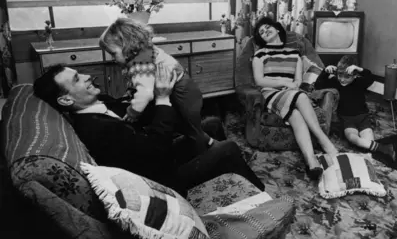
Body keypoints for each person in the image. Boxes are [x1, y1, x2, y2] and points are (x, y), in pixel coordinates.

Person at [32, 64, 265, 196]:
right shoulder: (94, 129)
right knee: (228, 149)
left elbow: (139, 115)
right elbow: (156, 151)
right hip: (161, 180)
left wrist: (147, 91)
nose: (87, 76)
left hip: (156, 154)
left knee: (212, 124)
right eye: (76, 79)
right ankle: (262, 196)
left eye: (79, 73)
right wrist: (163, 99)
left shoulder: (99, 101)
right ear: (64, 100)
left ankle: (233, 185)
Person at [98, 17, 212, 155]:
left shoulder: (141, 64)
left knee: (191, 128)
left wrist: (133, 112)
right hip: (186, 87)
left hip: (183, 92)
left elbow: (146, 93)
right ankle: (206, 140)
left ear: (126, 46)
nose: (113, 59)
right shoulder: (145, 51)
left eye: (113, 53)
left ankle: (203, 154)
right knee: (186, 124)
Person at [252, 17, 338, 180]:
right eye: (261, 32)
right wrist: (284, 82)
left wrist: (293, 85)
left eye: (267, 27)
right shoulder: (259, 55)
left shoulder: (295, 55)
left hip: (291, 92)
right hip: (271, 93)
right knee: (300, 96)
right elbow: (259, 81)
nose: (265, 32)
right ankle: (325, 142)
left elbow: (298, 81)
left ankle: (311, 162)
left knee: (296, 115)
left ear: (277, 29)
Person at [315, 55, 396, 160]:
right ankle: (383, 148)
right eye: (340, 75)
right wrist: (325, 72)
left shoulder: (360, 82)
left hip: (363, 117)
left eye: (347, 77)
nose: (342, 79)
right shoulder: (335, 82)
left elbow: (371, 78)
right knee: (353, 138)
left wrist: (359, 69)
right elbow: (318, 85)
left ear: (355, 75)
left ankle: (375, 153)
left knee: (369, 142)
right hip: (347, 120)